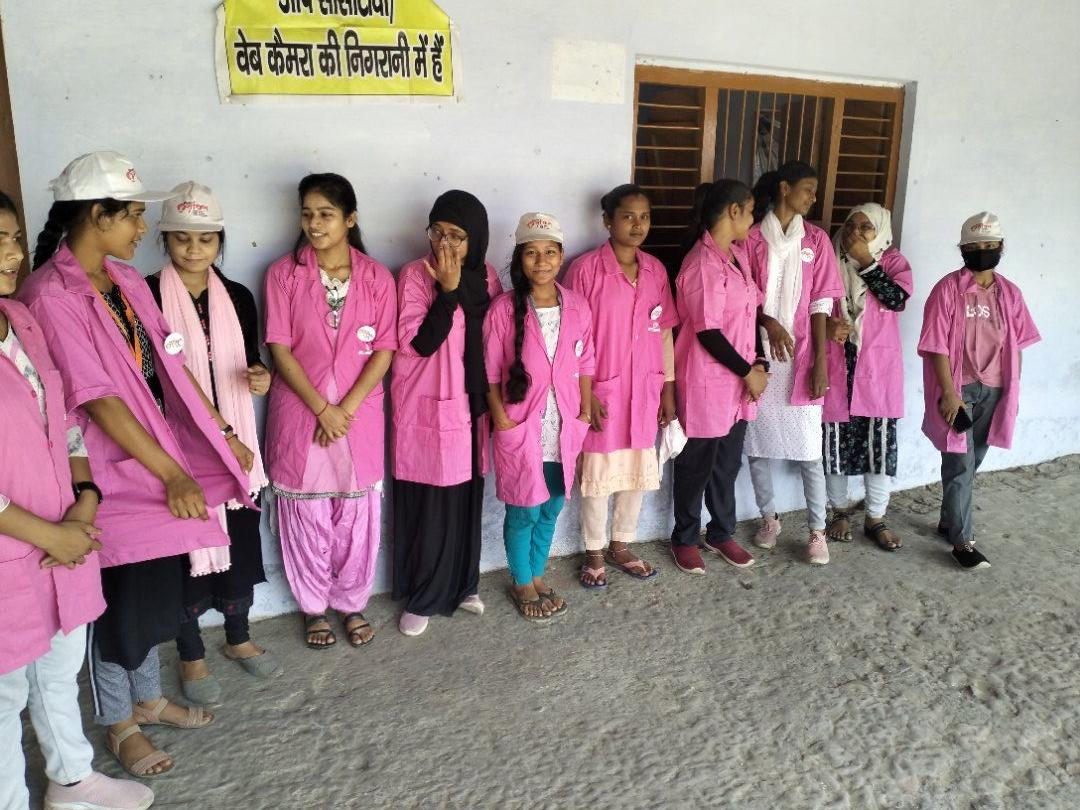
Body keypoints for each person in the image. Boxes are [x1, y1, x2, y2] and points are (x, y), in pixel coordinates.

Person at [21, 150, 254, 777]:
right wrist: (173, 474)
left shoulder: (123, 280)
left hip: (154, 455)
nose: (142, 228)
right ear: (98, 216)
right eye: (132, 215)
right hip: (107, 473)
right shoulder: (51, 294)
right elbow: (97, 400)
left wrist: (223, 432)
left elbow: (171, 364)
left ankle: (147, 698)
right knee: (116, 600)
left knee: (152, 590)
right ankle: (119, 723)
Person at [0, 190, 154, 810]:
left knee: (58, 667)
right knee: (4, 693)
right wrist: (52, 536)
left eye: (13, 237)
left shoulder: (20, 318)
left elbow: (63, 416)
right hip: (22, 544)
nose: (12, 253)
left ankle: (71, 780)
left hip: (65, 527)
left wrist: (85, 496)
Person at [145, 181, 279, 705]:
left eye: (205, 239)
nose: (193, 249)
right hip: (178, 443)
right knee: (186, 547)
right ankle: (191, 654)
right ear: (164, 240)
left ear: (220, 241)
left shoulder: (238, 297)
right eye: (181, 239)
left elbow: (252, 361)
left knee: (238, 539)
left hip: (236, 441)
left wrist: (261, 377)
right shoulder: (146, 296)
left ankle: (238, 636)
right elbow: (150, 377)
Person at [264, 173, 397, 648]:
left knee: (355, 515)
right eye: (307, 214)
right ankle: (313, 608)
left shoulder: (377, 277)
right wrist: (323, 409)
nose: (314, 224)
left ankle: (352, 602)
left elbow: (384, 349)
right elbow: (279, 348)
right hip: (302, 412)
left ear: (350, 219)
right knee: (307, 513)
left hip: (357, 416)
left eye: (326, 214)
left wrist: (345, 410)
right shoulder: (283, 274)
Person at [390, 190, 500, 636]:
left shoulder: (488, 277)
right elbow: (418, 342)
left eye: (457, 235)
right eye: (438, 232)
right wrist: (448, 292)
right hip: (429, 401)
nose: (445, 244)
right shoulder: (416, 275)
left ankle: (463, 585)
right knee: (432, 502)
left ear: (477, 239)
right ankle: (423, 596)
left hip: (472, 402)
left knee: (467, 497)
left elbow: (496, 334)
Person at [564, 184, 676, 588]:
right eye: (628, 216)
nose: (637, 224)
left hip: (645, 389)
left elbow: (664, 333)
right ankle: (594, 549)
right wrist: (585, 394)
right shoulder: (584, 271)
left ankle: (622, 544)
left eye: (644, 217)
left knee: (637, 470)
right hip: (602, 390)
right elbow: (570, 338)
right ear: (607, 220)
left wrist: (667, 389)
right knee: (598, 470)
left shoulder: (656, 271)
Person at [484, 213, 594, 622]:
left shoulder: (578, 307)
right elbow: (489, 371)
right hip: (521, 425)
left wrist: (584, 410)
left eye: (550, 252)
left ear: (561, 256)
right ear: (520, 258)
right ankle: (521, 581)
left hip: (563, 425)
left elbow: (586, 362)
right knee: (524, 509)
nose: (542, 261)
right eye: (531, 253)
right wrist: (501, 418)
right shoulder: (503, 309)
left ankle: (536, 574)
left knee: (552, 505)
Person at [918, 212, 1040, 570]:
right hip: (960, 389)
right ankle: (962, 542)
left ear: (1001, 247)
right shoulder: (947, 290)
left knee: (972, 463)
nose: (983, 251)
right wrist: (948, 393)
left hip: (996, 389)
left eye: (989, 245)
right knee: (959, 463)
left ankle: (947, 522)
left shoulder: (1010, 293)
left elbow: (1018, 343)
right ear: (963, 249)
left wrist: (1012, 390)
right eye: (974, 246)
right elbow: (936, 346)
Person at [743, 161, 843, 565]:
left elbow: (821, 304)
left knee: (808, 451)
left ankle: (817, 531)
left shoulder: (816, 240)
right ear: (785, 188)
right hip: (760, 354)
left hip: (801, 357)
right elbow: (743, 298)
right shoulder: (752, 237)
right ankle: (769, 519)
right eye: (807, 189)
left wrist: (820, 361)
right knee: (757, 445)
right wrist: (768, 322)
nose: (813, 197)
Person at [669, 180, 769, 574]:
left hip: (739, 384)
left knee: (726, 465)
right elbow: (708, 331)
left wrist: (758, 362)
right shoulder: (701, 263)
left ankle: (721, 532)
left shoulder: (738, 256)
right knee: (696, 466)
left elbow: (749, 315)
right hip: (707, 382)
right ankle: (684, 538)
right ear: (733, 211)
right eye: (750, 211)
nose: (753, 220)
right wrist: (747, 371)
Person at [821, 203, 912, 551]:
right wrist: (828, 326)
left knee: (878, 445)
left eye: (865, 227)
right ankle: (838, 511)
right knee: (834, 442)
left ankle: (876, 517)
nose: (855, 233)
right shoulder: (830, 258)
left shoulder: (894, 262)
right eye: (850, 226)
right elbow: (812, 304)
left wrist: (865, 261)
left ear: (881, 230)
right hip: (837, 362)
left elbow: (896, 298)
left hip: (877, 371)